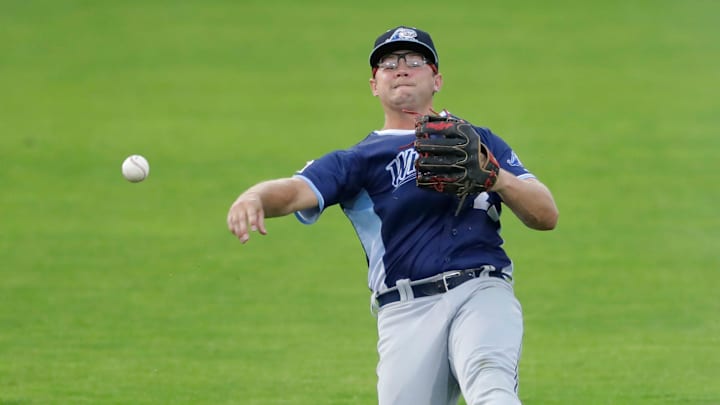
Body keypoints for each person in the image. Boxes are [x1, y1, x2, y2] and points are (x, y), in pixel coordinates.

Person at [227, 25, 559, 405]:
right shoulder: (357, 161)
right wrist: (255, 196)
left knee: (490, 386)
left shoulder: (479, 140)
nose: (401, 69)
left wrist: (497, 178)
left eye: (414, 61)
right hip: (405, 313)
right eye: (388, 64)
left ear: (437, 79)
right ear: (374, 84)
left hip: (481, 290)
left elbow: (545, 214)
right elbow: (294, 192)